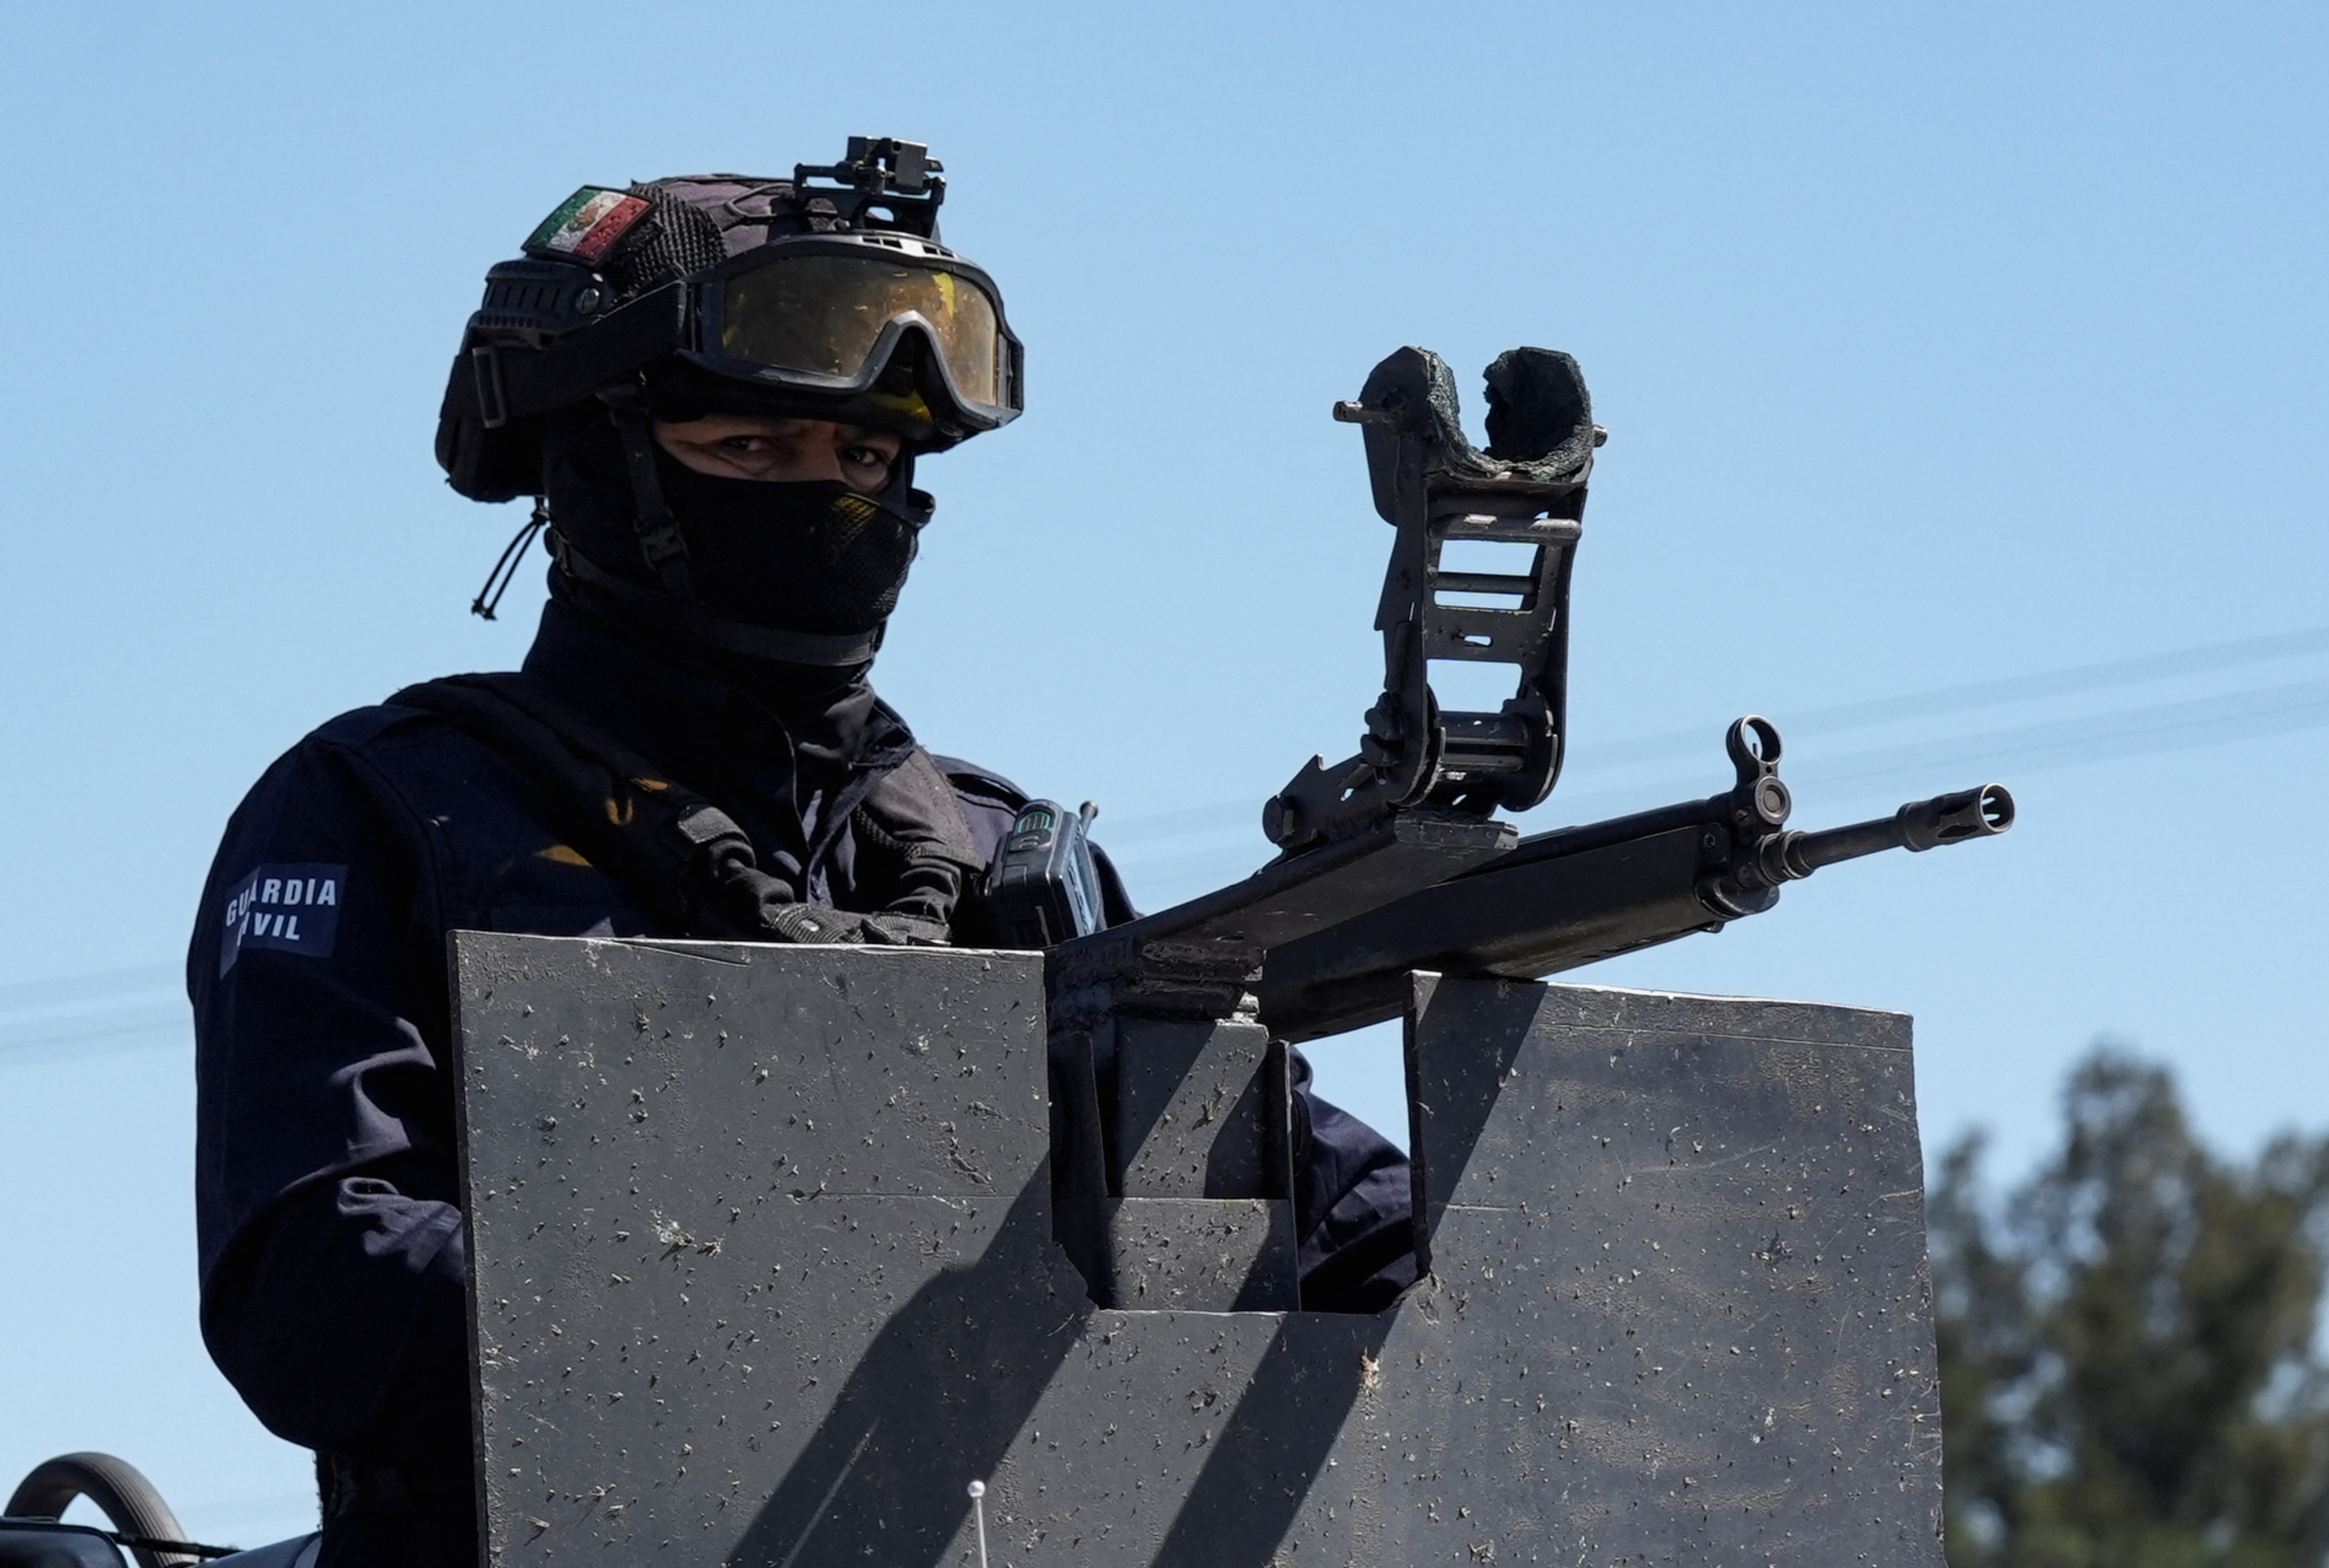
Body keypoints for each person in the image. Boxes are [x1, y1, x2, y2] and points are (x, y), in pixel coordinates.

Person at [188, 140, 1415, 1568]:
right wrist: (779, 1320)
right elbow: (315, 1287)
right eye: (751, 447)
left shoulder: (999, 855)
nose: (824, 495)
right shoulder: (387, 809)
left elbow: (1298, 1202)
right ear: (593, 466)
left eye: (863, 455)